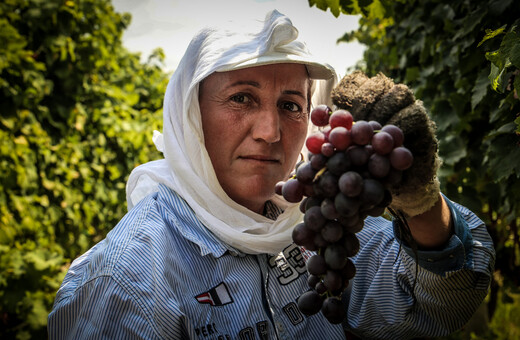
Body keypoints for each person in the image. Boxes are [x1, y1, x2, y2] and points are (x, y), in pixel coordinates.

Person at [48, 10, 495, 340]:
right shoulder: (130, 278)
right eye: (241, 98)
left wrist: (421, 207)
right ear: (190, 117)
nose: (270, 133)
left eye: (291, 105)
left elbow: (437, 307)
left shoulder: (315, 218)